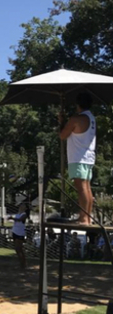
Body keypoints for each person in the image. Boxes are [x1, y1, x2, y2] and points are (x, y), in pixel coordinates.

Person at [59, 92, 96, 225]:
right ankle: (88, 217)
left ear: (77, 104)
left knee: (81, 189)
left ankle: (84, 218)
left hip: (78, 157)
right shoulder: (91, 118)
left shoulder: (76, 118)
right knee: (87, 188)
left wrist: (61, 122)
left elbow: (63, 135)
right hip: (88, 156)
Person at [9, 204, 29, 269]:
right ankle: (21, 263)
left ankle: (24, 263)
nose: (21, 206)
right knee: (17, 249)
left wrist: (12, 218)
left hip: (20, 233)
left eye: (23, 206)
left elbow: (20, 219)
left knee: (19, 248)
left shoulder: (24, 214)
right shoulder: (18, 213)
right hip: (15, 231)